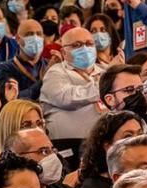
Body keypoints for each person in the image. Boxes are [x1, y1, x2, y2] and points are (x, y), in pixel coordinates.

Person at [40, 27, 106, 158]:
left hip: (104, 144)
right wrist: (106, 85)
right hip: (68, 149)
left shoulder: (104, 71)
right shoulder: (55, 72)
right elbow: (66, 98)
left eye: (89, 44)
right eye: (77, 45)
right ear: (63, 52)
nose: (85, 48)